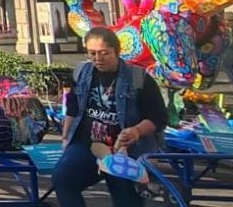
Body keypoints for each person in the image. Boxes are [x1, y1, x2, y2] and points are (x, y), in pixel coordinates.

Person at [54, 27, 168, 207]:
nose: (97, 59)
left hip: (124, 152)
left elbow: (158, 117)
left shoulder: (138, 78)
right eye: (92, 53)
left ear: (117, 51)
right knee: (63, 178)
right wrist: (66, 137)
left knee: (126, 199)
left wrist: (136, 131)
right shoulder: (82, 73)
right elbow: (73, 108)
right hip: (87, 147)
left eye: (104, 53)